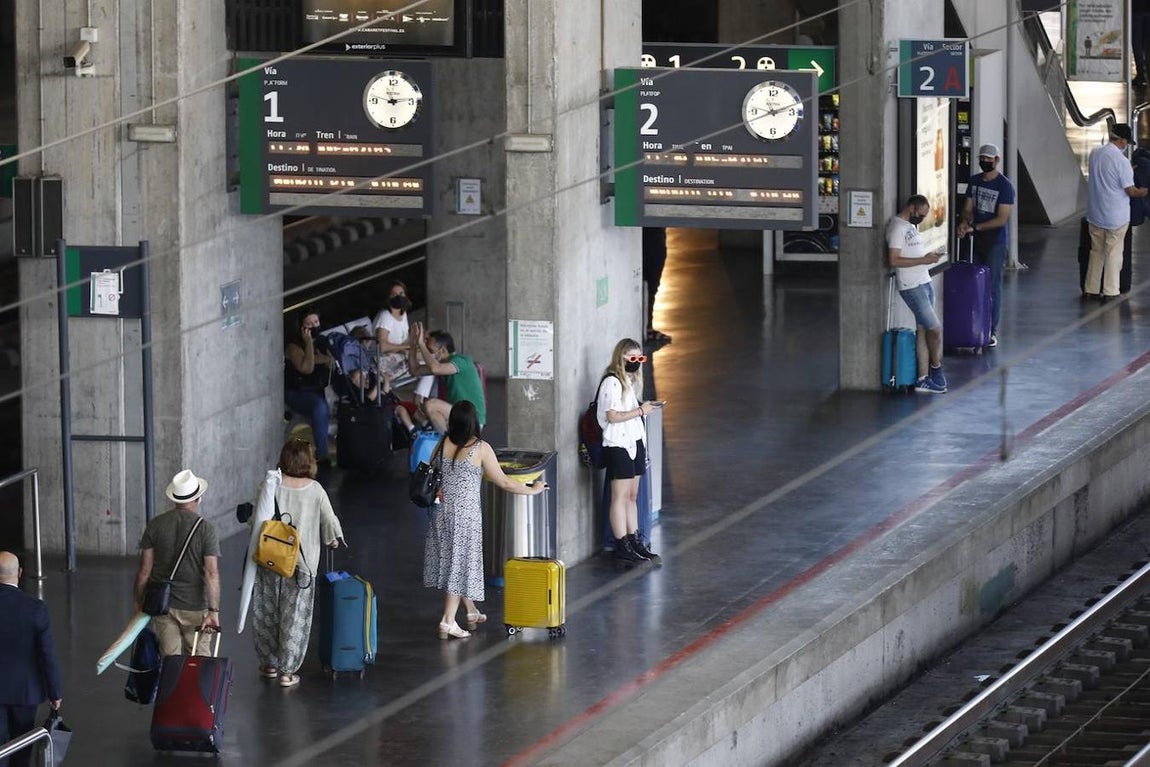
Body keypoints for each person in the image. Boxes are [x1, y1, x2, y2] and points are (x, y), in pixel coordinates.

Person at [423, 400, 547, 639]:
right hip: (466, 518)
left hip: (442, 514)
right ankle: (448, 621)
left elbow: (433, 470)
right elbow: (504, 482)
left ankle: (470, 612)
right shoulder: (480, 448)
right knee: (458, 566)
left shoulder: (441, 443)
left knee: (455, 562)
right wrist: (533, 489)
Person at [250, 438, 344, 688]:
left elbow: (255, 520)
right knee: (294, 618)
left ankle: (269, 664)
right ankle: (287, 672)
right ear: (308, 461)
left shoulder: (271, 485)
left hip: (269, 560)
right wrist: (333, 541)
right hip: (301, 565)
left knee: (266, 613)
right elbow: (330, 524)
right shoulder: (315, 490)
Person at [134, 469, 221, 657]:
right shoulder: (206, 529)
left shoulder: (155, 524)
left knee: (169, 662)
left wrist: (140, 601)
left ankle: (172, 687)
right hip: (196, 607)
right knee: (198, 662)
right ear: (198, 498)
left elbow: (144, 570)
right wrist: (213, 611)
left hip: (163, 605)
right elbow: (211, 573)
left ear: (174, 498)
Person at [598, 338, 663, 563]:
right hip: (618, 444)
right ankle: (621, 543)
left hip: (634, 442)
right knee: (620, 496)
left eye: (640, 358)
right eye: (633, 358)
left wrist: (643, 410)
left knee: (632, 496)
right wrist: (640, 411)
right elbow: (611, 415)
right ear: (621, 358)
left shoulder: (630, 381)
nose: (637, 363)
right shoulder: (612, 382)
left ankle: (634, 540)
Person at [0, 552, 62, 767]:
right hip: (25, 691)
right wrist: (55, 692)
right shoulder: (36, 609)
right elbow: (47, 654)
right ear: (19, 573)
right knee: (22, 746)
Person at [887, 195, 947, 393]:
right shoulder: (897, 228)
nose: (920, 219)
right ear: (911, 208)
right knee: (934, 328)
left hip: (924, 280)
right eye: (920, 215)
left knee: (923, 329)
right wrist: (923, 260)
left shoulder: (910, 227)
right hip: (912, 285)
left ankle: (923, 377)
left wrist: (928, 259)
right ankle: (936, 367)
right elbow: (894, 260)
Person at [957, 144, 1015, 348]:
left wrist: (976, 227)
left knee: (992, 287)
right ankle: (971, 325)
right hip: (976, 238)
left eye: (989, 159)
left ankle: (991, 330)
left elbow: (1001, 219)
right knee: (971, 282)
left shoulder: (1005, 186)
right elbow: (968, 208)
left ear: (997, 160)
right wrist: (965, 222)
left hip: (995, 242)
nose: (985, 162)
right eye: (982, 158)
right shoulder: (974, 181)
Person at [1085, 123, 1149, 301]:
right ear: (1121, 140)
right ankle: (1111, 291)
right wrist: (1144, 192)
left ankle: (1091, 288)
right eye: (1126, 143)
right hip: (1116, 216)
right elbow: (1131, 191)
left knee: (1096, 252)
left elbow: (1107, 174)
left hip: (1095, 213)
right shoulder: (1122, 162)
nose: (1126, 146)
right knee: (1113, 253)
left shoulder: (1095, 153)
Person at [407, 325, 486, 432]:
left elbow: (435, 368)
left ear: (443, 351)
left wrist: (421, 344)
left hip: (472, 419)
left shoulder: (461, 361)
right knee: (421, 409)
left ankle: (445, 440)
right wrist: (413, 345)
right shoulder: (443, 365)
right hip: (459, 414)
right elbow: (414, 370)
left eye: (430, 350)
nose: (427, 355)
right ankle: (443, 437)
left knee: (431, 404)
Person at [285, 307, 334, 466]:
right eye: (309, 323)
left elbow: (325, 359)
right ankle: (322, 454)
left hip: (318, 390)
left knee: (324, 405)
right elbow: (307, 367)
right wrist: (308, 344)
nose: (314, 326)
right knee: (320, 407)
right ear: (302, 326)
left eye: (316, 322)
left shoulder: (320, 340)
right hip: (297, 392)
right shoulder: (294, 345)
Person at [372, 280, 413, 380]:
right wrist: (406, 347)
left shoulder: (403, 313)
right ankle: (420, 395)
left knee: (432, 359)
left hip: (400, 356)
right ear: (387, 298)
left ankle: (421, 394)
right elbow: (382, 346)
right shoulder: (385, 316)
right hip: (384, 363)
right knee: (429, 365)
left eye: (401, 293)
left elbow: (405, 338)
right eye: (393, 295)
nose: (398, 297)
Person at [642, 228, 671, 345]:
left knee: (652, 285)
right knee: (649, 285)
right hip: (649, 236)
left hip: (654, 235)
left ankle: (648, 327)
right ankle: (647, 327)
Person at [1134, 0, 1150, 87]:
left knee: (1137, 45)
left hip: (1135, 11)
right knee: (1145, 46)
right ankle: (1143, 75)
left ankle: (1141, 75)